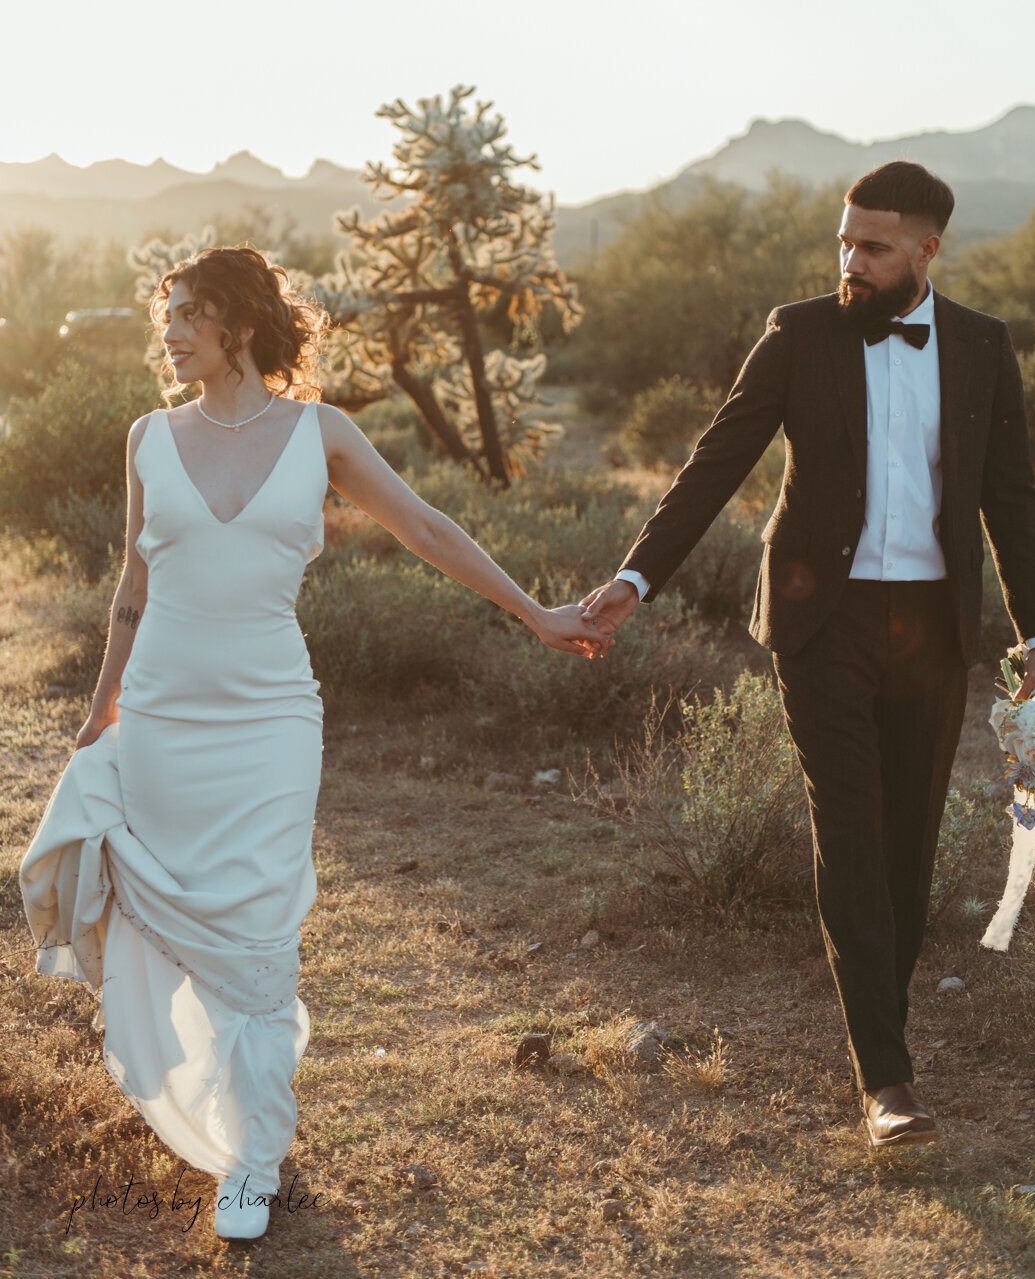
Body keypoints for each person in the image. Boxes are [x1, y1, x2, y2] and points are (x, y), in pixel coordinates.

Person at [19, 245, 608, 1241]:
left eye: (188, 316)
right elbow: (132, 586)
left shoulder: (319, 434)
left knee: (257, 931)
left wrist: (532, 613)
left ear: (239, 329)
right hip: (162, 712)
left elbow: (425, 528)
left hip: (271, 717)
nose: (170, 334)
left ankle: (253, 1160)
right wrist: (101, 703)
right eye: (166, 316)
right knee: (178, 926)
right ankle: (217, 1106)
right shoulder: (146, 439)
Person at [580, 161, 1035, 1149]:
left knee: (907, 847)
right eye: (843, 240)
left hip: (933, 630)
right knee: (849, 829)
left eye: (874, 245)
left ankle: (881, 1029)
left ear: (928, 248)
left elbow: (1010, 499)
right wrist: (637, 578)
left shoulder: (981, 345)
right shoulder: (799, 334)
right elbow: (717, 461)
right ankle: (887, 1081)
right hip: (820, 626)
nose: (851, 259)